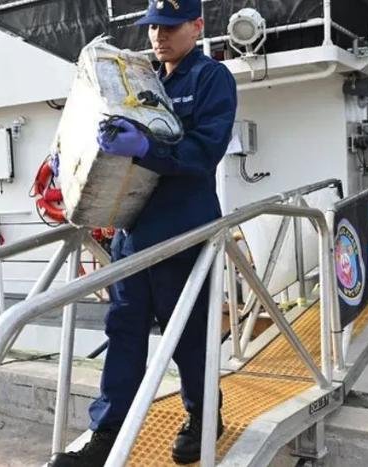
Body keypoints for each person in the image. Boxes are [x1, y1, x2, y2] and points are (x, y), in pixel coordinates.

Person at [48, 0, 237, 465]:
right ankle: (107, 434)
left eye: (170, 27)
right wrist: (67, 156)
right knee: (125, 332)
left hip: (184, 233)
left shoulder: (212, 80)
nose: (159, 36)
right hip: (133, 234)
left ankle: (203, 417)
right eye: (153, 26)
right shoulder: (139, 77)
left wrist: (145, 147)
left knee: (189, 338)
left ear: (197, 26)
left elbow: (201, 153)